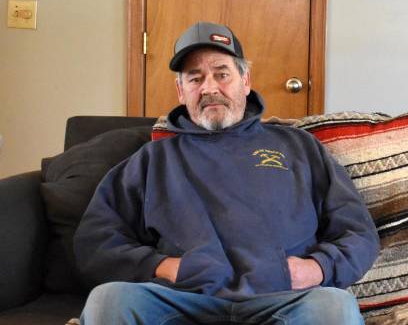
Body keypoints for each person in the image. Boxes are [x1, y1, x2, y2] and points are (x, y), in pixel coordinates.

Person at [73, 21, 380, 324]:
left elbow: (358, 231)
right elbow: (96, 241)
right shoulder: (152, 160)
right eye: (195, 79)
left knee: (334, 307)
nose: (209, 88)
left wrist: (318, 268)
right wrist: (165, 266)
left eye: (222, 74)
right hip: (182, 298)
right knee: (109, 300)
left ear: (245, 81)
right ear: (181, 91)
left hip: (284, 298)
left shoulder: (299, 147)